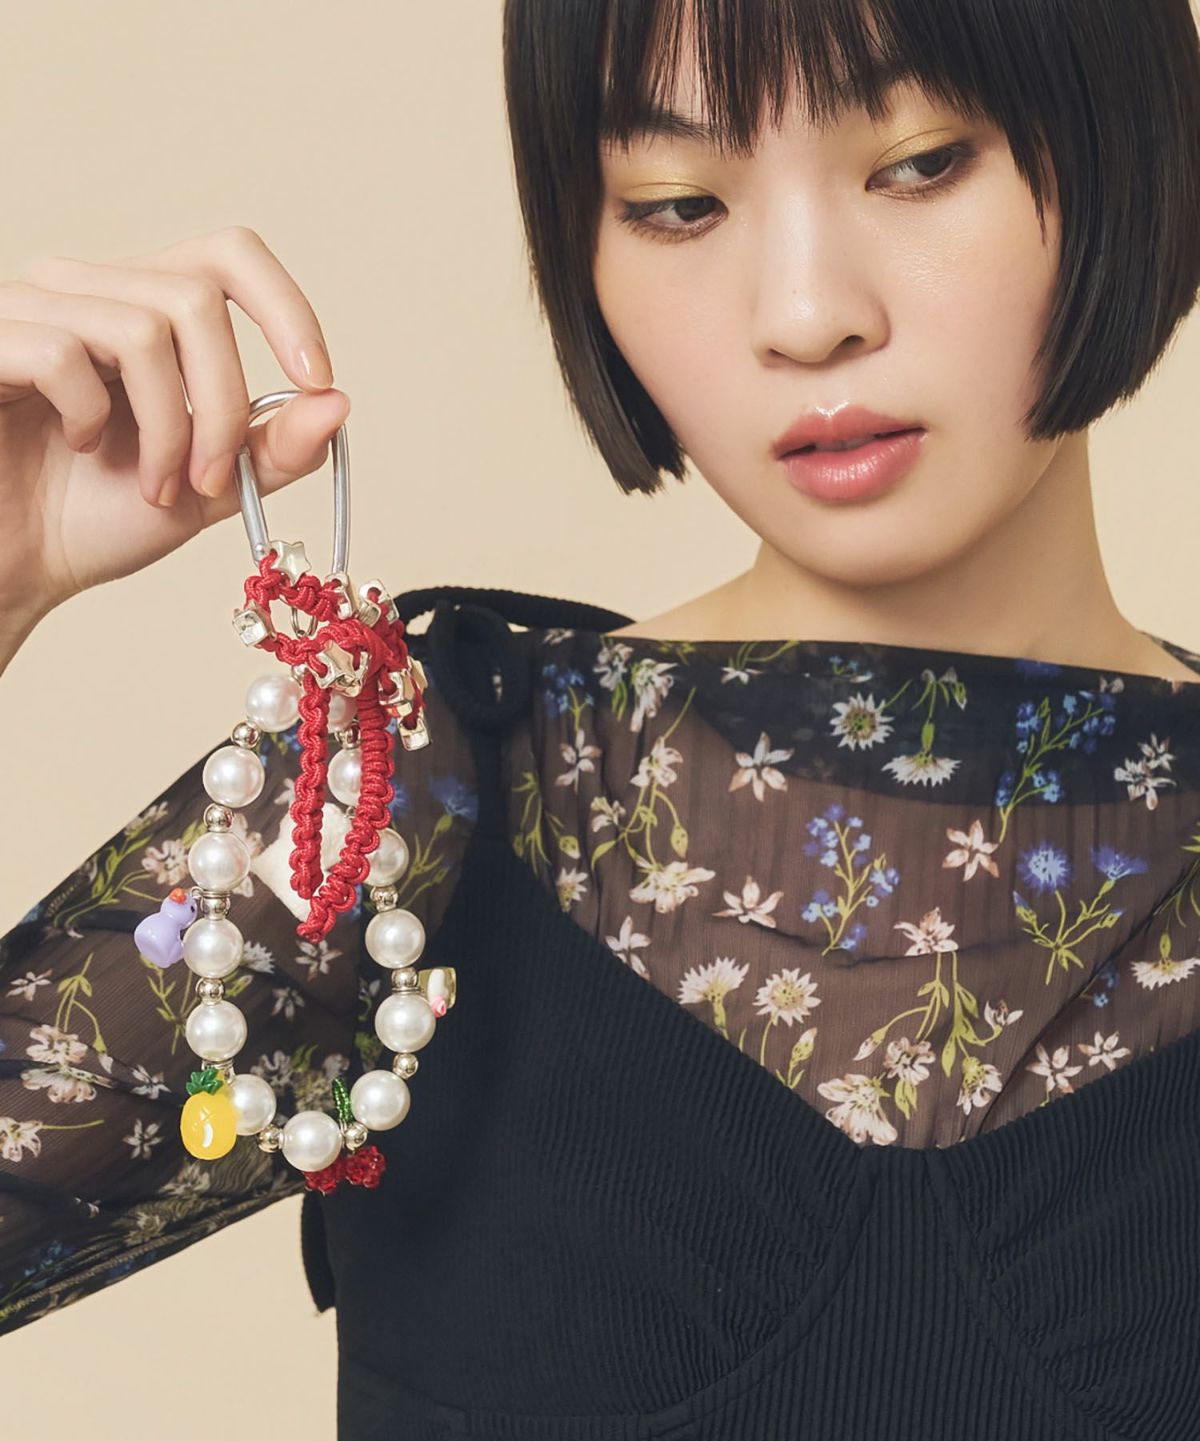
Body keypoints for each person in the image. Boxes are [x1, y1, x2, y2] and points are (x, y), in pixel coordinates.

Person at [3, 0, 1200, 1435]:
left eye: (921, 163)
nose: (806, 314)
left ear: (1130, 137)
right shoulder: (408, 800)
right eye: (678, 204)